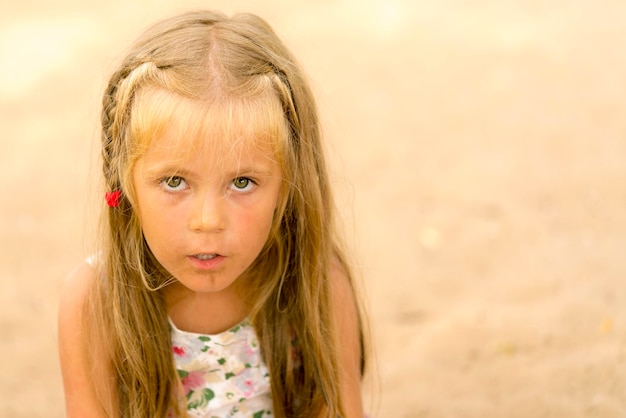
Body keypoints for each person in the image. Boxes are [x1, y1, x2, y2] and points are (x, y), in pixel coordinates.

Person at [58, 9, 369, 418]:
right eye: (174, 181)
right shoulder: (95, 302)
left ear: (287, 182)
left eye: (242, 183)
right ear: (125, 179)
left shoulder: (318, 284)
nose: (208, 220)